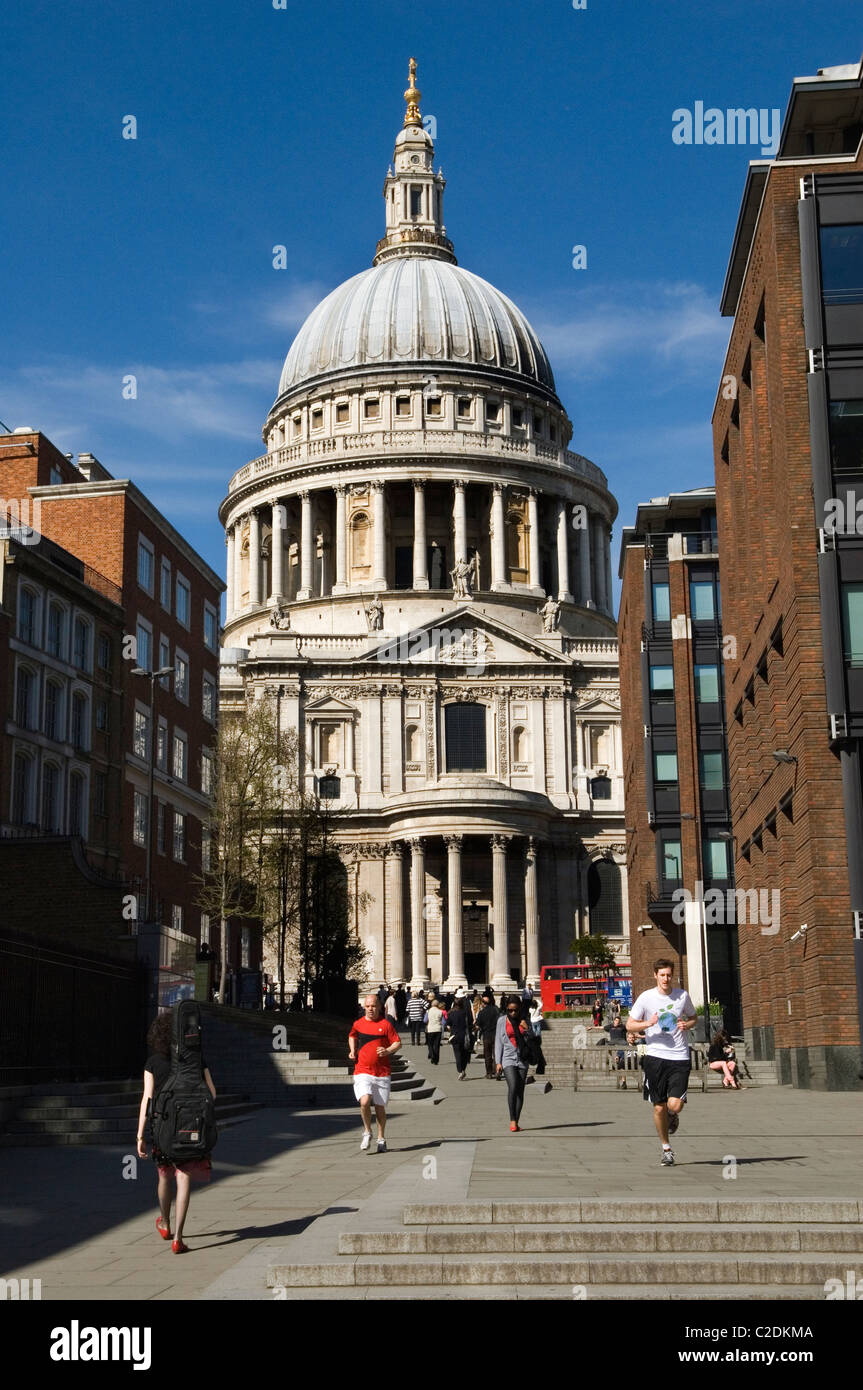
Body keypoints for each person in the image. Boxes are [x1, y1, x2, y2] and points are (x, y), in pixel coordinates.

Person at [136, 1012, 216, 1254]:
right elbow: (212, 1093)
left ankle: (165, 1222)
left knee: (164, 1176)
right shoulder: (195, 1060)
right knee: (184, 1178)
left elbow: (147, 1100)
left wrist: (140, 1135)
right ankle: (178, 1239)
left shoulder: (153, 1062)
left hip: (163, 1127)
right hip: (189, 1126)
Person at [626, 958, 697, 1166]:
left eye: (669, 975)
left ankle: (672, 1115)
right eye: (662, 975)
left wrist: (687, 1024)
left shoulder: (682, 996)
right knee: (658, 1107)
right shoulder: (646, 998)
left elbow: (694, 1017)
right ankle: (666, 1148)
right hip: (655, 1056)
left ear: (672, 975)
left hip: (679, 1056)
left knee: (674, 1104)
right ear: (655, 975)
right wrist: (648, 1023)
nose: (666, 978)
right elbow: (630, 1024)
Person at [348, 993, 401, 1152]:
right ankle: (367, 1131)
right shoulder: (358, 1024)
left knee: (379, 1108)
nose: (370, 1009)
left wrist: (387, 1050)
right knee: (364, 1101)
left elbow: (397, 1043)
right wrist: (352, 1050)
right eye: (368, 1006)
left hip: (382, 1073)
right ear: (364, 1007)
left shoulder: (385, 1025)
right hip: (362, 1070)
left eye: (373, 1006)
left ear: (379, 1007)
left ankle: (381, 1138)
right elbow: (352, 1036)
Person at [495, 996, 530, 1130]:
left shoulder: (525, 1020)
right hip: (508, 1058)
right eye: (510, 1010)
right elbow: (498, 1042)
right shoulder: (501, 1021)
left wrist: (527, 1029)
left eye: (515, 1010)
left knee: (520, 1091)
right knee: (513, 1085)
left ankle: (516, 1121)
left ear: (519, 1008)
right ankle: (512, 1119)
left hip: (522, 1058)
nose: (513, 1013)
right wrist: (498, 1062)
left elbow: (535, 1039)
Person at [476, 992, 500, 1079]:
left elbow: (478, 1026)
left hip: (486, 1036)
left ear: (483, 1003)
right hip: (496, 1035)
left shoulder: (481, 1013)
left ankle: (489, 1073)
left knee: (487, 1055)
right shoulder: (496, 1010)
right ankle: (497, 1071)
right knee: (496, 1054)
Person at [447, 996, 472, 1080]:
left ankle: (460, 1071)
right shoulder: (466, 1012)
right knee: (464, 1054)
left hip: (455, 1035)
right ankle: (463, 1069)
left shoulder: (450, 1013)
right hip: (464, 1035)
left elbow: (448, 1025)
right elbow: (470, 1023)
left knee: (457, 1054)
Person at [605, 1013, 629, 1088]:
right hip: (614, 1047)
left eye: (618, 1021)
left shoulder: (623, 1027)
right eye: (616, 1020)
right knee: (607, 1045)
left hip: (622, 1047)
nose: (617, 1022)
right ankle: (615, 1059)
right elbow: (601, 1027)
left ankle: (624, 1082)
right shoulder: (610, 1026)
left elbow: (631, 1028)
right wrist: (592, 1027)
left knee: (621, 1065)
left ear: (620, 1022)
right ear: (613, 1021)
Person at [426, 996, 444, 1065]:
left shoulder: (428, 1011)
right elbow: (443, 1021)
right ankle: (436, 1060)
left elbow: (425, 1020)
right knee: (437, 1045)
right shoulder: (440, 1011)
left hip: (430, 1029)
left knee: (430, 1044)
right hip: (438, 1029)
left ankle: (432, 1054)